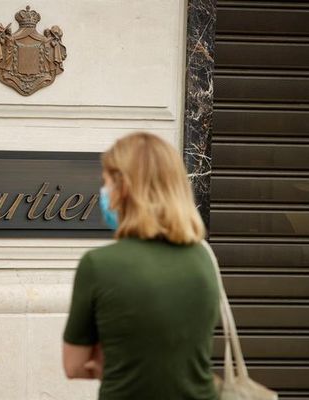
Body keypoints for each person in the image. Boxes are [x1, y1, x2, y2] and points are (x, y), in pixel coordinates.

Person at [62, 132, 219, 399]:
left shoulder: (99, 265)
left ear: (123, 188)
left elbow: (74, 365)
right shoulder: (204, 258)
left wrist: (112, 361)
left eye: (107, 182)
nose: (104, 192)